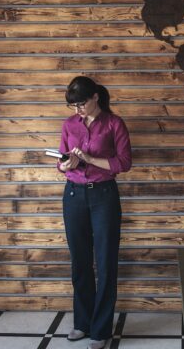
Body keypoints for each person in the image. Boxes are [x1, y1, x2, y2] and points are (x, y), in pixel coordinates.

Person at [57, 76, 132, 349]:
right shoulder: (69, 125)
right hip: (74, 195)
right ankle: (82, 322)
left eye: (81, 103)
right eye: (73, 105)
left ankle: (100, 329)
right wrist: (66, 165)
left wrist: (88, 159)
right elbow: (62, 161)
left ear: (95, 98)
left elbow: (123, 163)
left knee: (105, 261)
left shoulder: (114, 124)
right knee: (80, 261)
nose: (77, 110)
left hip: (103, 196)